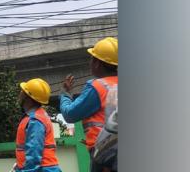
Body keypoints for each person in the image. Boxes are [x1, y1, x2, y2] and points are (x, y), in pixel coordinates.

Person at [59, 37, 118, 172]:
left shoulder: (97, 86)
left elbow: (70, 114)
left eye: (92, 59)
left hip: (104, 152)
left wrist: (65, 94)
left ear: (97, 63)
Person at [15, 78, 62, 172]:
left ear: (28, 97)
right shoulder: (37, 116)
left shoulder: (35, 120)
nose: (20, 93)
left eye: (23, 91)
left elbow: (34, 152)